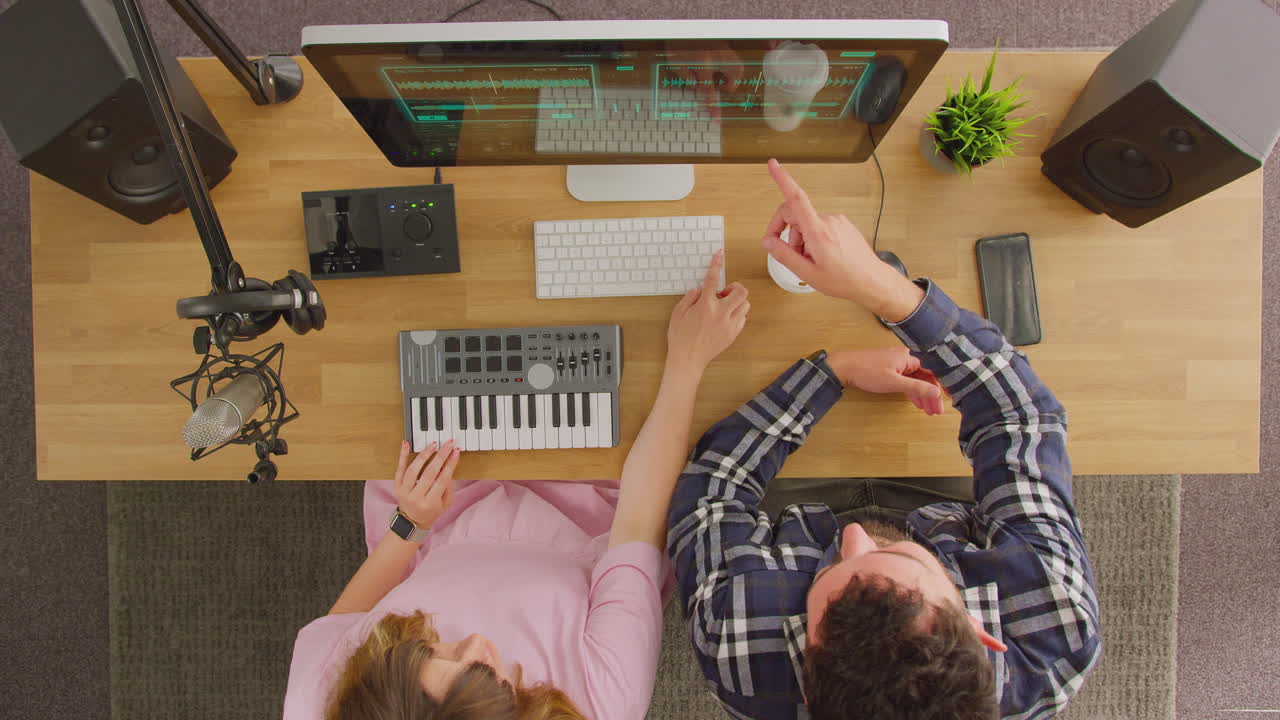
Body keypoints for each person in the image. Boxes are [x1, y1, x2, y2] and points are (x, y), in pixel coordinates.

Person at [666, 159, 1102, 720]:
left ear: (807, 667)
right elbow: (1020, 422)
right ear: (978, 632)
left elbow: (711, 493)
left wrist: (832, 372)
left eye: (828, 584)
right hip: (943, 505)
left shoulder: (744, 651)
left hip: (788, 507)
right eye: (899, 560)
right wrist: (883, 289)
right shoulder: (1054, 630)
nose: (852, 537)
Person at [283, 250, 750, 720]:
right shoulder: (604, 700)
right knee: (621, 328)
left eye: (433, 652)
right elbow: (638, 524)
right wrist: (689, 360)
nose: (476, 642)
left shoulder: (325, 700)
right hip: (597, 510)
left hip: (437, 517)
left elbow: (347, 621)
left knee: (420, 304)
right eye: (484, 674)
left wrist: (410, 524)